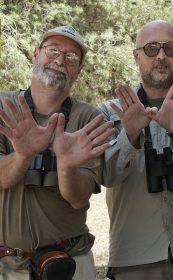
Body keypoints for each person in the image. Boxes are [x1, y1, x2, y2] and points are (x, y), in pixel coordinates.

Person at [0, 25, 114, 280]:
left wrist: (66, 166)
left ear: (79, 69)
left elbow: (79, 199)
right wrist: (22, 155)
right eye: (53, 50)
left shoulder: (89, 118)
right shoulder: (4, 106)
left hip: (69, 263)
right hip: (7, 266)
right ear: (35, 53)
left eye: (71, 57)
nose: (60, 60)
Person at [100, 19, 173, 280]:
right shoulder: (110, 112)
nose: (161, 56)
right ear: (136, 56)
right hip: (133, 257)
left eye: (170, 48)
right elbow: (107, 177)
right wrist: (130, 134)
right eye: (151, 49)